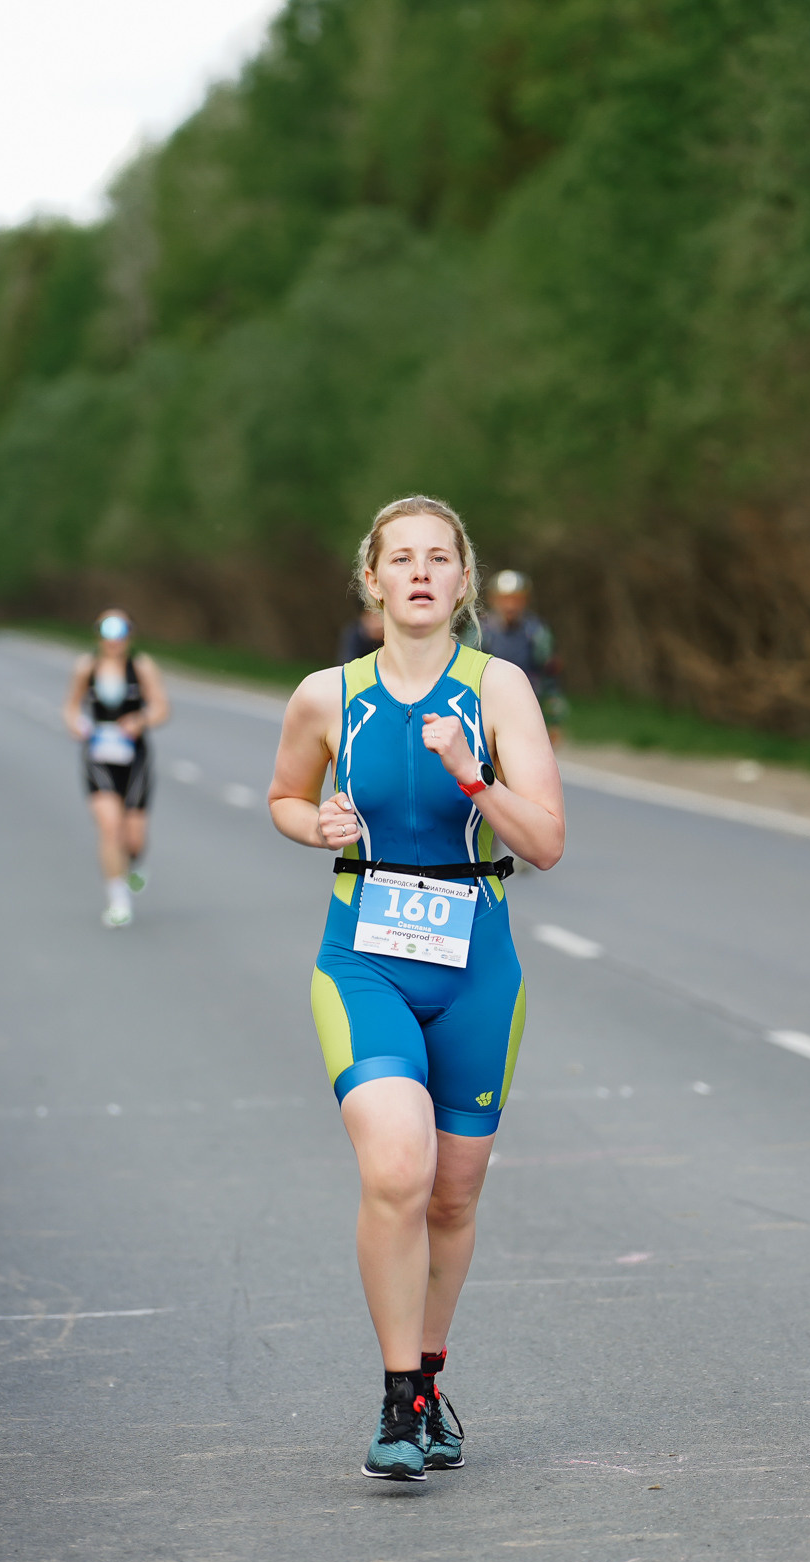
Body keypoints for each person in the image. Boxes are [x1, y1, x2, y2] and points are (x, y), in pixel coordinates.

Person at [267, 496, 563, 1481]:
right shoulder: (326, 693)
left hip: (479, 963)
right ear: (374, 581)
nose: (423, 573)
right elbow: (284, 794)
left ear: (465, 582)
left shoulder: (499, 689)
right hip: (364, 957)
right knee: (399, 1167)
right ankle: (399, 1401)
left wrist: (474, 778)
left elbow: (548, 842)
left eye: (441, 558)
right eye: (403, 558)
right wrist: (310, 825)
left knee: (452, 1198)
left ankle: (431, 1378)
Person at [64, 611, 169, 927]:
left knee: (133, 839)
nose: (114, 639)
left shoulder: (142, 667)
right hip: (98, 754)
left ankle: (134, 863)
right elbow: (71, 707)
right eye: (107, 632)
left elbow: (161, 708)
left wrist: (140, 720)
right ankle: (118, 901)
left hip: (134, 755)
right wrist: (76, 725)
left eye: (121, 631)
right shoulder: (87, 667)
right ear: (98, 636)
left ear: (130, 635)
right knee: (110, 827)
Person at [479, 570, 568, 746]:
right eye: (504, 599)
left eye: (516, 599)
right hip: (487, 712)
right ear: (493, 599)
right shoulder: (481, 632)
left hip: (527, 712)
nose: (510, 606)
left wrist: (555, 722)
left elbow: (550, 680)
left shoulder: (536, 633)